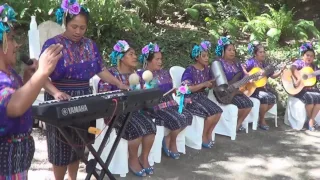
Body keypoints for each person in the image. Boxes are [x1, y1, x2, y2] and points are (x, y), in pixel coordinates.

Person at [40, 1, 128, 179]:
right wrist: (56, 92)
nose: (78, 31)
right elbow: (40, 75)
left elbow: (100, 70)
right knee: (60, 148)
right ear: (65, 22)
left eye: (82, 27)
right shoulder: (53, 44)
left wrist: (119, 84)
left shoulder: (90, 45)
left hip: (84, 97)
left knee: (79, 145)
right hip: (60, 98)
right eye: (74, 26)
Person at [0, 3, 63, 179]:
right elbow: (14, 107)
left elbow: (18, 97)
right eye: (11, 38)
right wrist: (42, 72)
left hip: (18, 159)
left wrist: (29, 79)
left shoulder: (10, 73)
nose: (17, 44)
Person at [98, 40, 156, 177]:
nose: (135, 57)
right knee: (136, 128)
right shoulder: (110, 74)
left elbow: (142, 95)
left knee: (151, 127)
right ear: (121, 58)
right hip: (116, 113)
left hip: (134, 111)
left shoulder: (137, 75)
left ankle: (144, 158)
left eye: (135, 54)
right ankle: (133, 159)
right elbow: (104, 98)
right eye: (131, 54)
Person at [139, 42, 193, 159]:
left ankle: (169, 138)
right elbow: (142, 95)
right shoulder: (141, 74)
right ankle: (172, 143)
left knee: (188, 115)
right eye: (157, 59)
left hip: (170, 103)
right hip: (155, 107)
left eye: (161, 59)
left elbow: (170, 89)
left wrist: (176, 90)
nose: (160, 62)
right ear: (148, 60)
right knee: (178, 119)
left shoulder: (164, 72)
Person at [181, 41, 222, 148]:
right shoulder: (189, 70)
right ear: (196, 57)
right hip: (191, 99)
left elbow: (210, 85)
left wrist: (211, 84)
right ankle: (203, 136)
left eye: (207, 55)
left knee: (218, 112)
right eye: (203, 56)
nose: (206, 58)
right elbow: (187, 89)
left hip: (202, 97)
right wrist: (203, 84)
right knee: (212, 113)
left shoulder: (207, 70)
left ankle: (209, 133)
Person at [215, 36, 253, 132]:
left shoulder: (236, 63)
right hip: (223, 93)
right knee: (244, 104)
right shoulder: (218, 63)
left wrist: (250, 78)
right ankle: (233, 125)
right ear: (223, 51)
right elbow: (217, 80)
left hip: (235, 91)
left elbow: (244, 76)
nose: (232, 52)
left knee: (249, 104)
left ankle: (237, 125)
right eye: (229, 50)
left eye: (233, 50)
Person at [242, 42, 284, 130]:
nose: (263, 54)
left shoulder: (265, 65)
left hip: (262, 88)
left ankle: (260, 117)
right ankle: (261, 120)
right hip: (252, 88)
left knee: (272, 98)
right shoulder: (251, 62)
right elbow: (242, 67)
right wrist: (249, 77)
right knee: (265, 98)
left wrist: (281, 71)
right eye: (260, 52)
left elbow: (272, 76)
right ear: (255, 53)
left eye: (263, 52)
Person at [290, 42, 320, 131]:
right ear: (303, 55)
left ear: (314, 58)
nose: (309, 57)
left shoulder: (314, 67)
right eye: (307, 55)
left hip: (312, 89)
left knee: (319, 100)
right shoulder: (299, 62)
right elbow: (292, 68)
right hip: (300, 89)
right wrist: (299, 78)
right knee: (310, 100)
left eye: (311, 56)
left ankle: (311, 120)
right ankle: (311, 122)